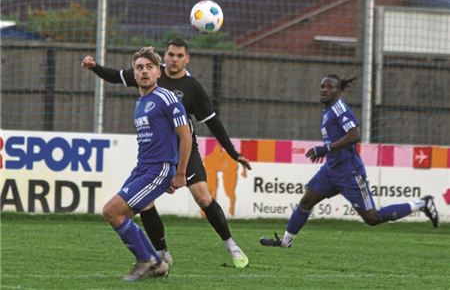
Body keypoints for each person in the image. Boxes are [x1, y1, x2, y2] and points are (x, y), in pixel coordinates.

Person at [82, 38, 251, 268]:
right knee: (145, 202)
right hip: (158, 151)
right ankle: (162, 253)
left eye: (180, 56)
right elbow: (116, 76)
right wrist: (95, 67)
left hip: (185, 148)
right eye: (171, 54)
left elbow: (212, 122)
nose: (174, 59)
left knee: (202, 196)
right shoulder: (148, 71)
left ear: (187, 59)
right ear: (165, 56)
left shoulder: (192, 87)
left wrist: (231, 152)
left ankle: (231, 245)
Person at [259, 74, 439, 248]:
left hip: (349, 172)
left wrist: (325, 149)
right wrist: (327, 152)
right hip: (330, 170)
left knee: (372, 218)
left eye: (329, 87)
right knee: (306, 201)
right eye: (322, 86)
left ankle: (422, 204)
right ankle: (285, 242)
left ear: (338, 91)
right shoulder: (327, 111)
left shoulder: (340, 109)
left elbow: (354, 135)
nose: (324, 90)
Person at [102, 47, 192, 280]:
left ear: (158, 73)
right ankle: (157, 263)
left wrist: (179, 173)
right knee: (122, 216)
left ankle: (146, 259)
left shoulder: (166, 97)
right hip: (144, 168)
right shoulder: (141, 102)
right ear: (134, 73)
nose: (144, 72)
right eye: (139, 68)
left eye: (149, 67)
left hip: (159, 168)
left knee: (111, 211)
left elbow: (185, 135)